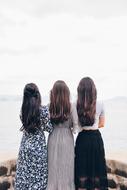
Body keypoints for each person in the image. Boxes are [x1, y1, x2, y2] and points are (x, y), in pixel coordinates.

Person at [15, 83, 53, 190]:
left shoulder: (23, 111)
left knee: (24, 180)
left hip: (25, 149)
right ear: (38, 95)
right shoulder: (43, 111)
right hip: (38, 150)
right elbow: (49, 128)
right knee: (39, 182)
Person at [73, 77, 108, 190]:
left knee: (82, 170)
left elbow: (76, 125)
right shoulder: (101, 104)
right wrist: (93, 125)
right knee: (97, 170)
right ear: (93, 89)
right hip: (95, 139)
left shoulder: (75, 104)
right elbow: (102, 124)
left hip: (82, 139)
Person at [47, 80, 75, 190]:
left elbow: (47, 124)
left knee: (53, 168)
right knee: (67, 169)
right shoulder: (71, 106)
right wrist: (70, 128)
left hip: (53, 137)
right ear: (66, 92)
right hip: (67, 138)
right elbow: (76, 126)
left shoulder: (49, 106)